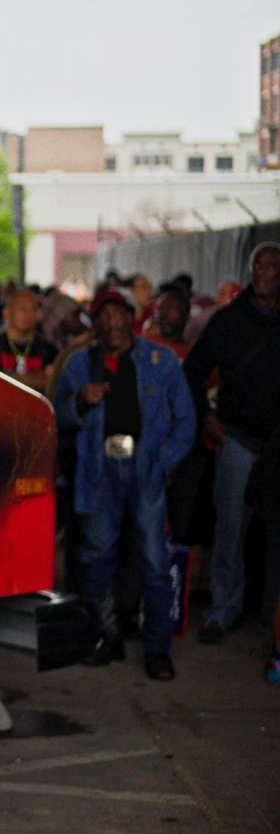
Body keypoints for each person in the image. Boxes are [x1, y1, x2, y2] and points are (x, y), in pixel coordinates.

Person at [54, 288, 196, 679]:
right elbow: (58, 413)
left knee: (153, 560)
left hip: (145, 471)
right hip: (99, 473)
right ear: (95, 324)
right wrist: (81, 400)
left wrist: (162, 462)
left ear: (131, 319)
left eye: (120, 316)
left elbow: (186, 420)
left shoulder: (161, 361)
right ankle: (106, 636)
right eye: (105, 317)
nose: (113, 324)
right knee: (96, 558)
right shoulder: (80, 364)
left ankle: (157, 649)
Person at [183, 242, 280, 644]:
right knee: (231, 529)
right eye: (257, 264)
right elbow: (192, 371)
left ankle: (271, 617)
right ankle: (223, 609)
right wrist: (208, 418)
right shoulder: (227, 321)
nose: (262, 271)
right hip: (238, 438)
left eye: (271, 265)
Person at [0, 286, 57, 391]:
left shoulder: (49, 350)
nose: (28, 314)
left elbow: (54, 384)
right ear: (6, 313)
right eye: (22, 309)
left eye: (33, 309)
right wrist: (34, 379)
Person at [147, 282, 192, 357]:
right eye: (159, 310)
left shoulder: (195, 353)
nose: (161, 316)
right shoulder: (146, 345)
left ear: (187, 315)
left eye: (170, 309)